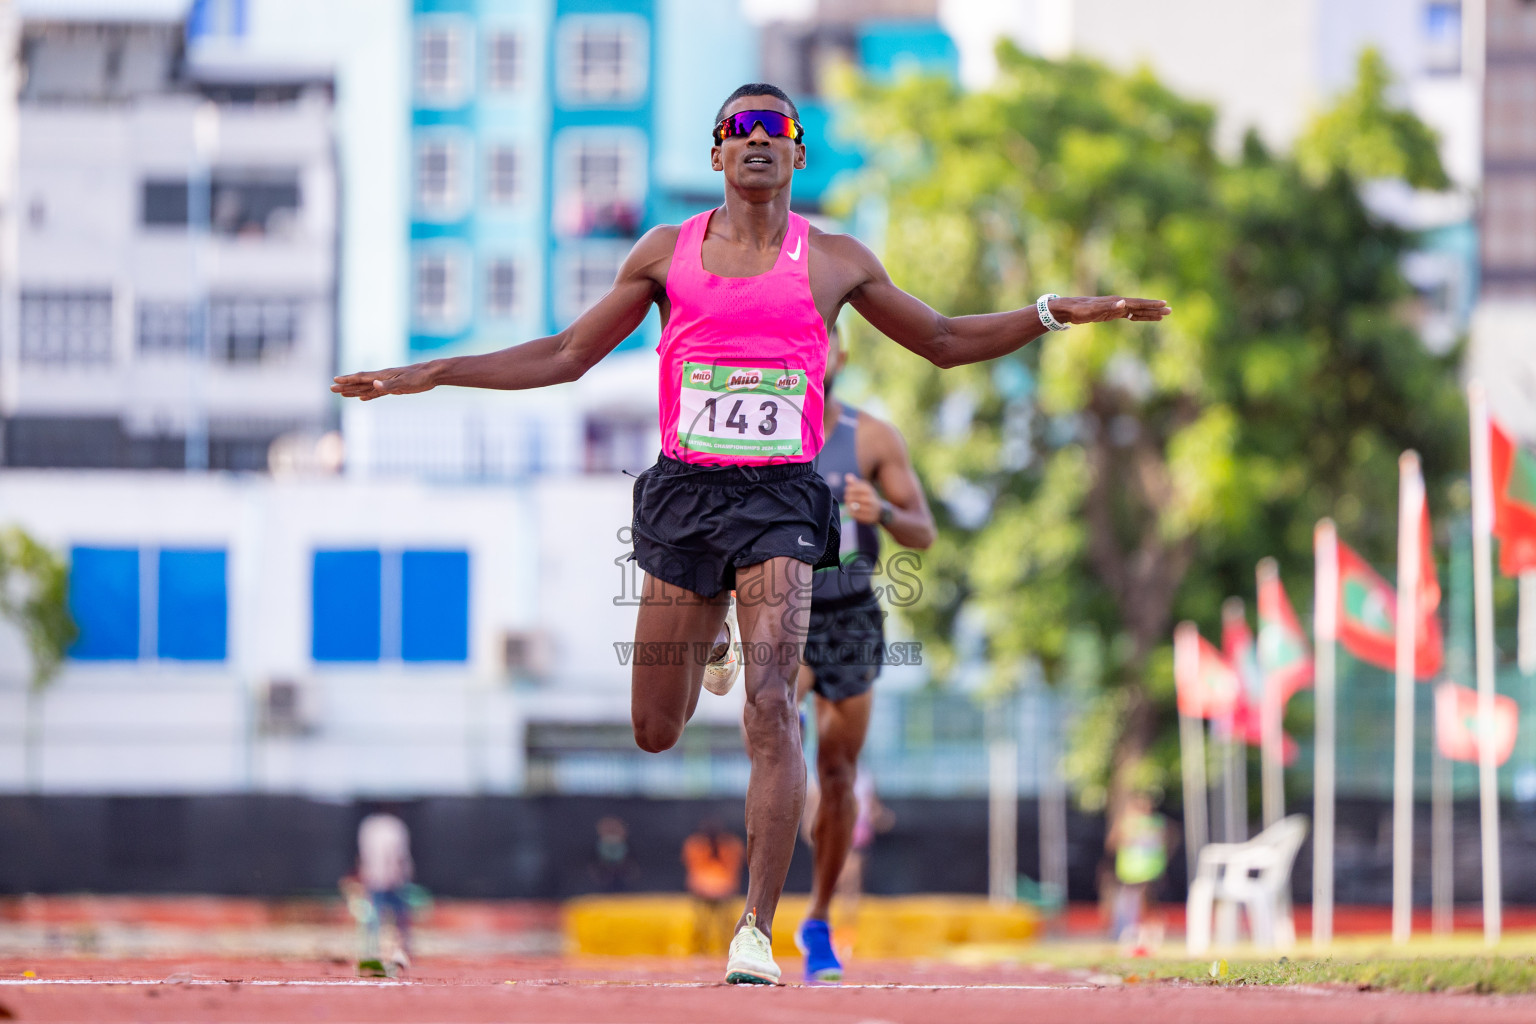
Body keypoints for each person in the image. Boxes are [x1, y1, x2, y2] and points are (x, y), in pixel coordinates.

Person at [332, 82, 1171, 984]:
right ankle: (714, 639)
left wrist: (1053, 313)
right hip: (685, 495)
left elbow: (942, 338)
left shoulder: (836, 260)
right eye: (741, 128)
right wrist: (435, 372)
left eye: (778, 128)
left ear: (798, 153)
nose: (760, 140)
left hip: (781, 500)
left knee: (772, 710)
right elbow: (567, 354)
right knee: (656, 727)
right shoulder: (667, 254)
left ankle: (755, 931)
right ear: (718, 154)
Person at [793, 325, 932, 982]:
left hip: (850, 611)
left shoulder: (872, 437)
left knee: (840, 775)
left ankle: (817, 919)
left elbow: (924, 532)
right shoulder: (758, 430)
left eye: (821, 342)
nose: (810, 352)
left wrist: (881, 513)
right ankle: (756, 919)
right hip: (781, 604)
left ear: (839, 355)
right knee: (768, 717)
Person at [1106, 791, 1168, 953]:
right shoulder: (1127, 823)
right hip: (1131, 872)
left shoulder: (1155, 823)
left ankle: (1149, 935)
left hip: (1149, 871)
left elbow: (1164, 841)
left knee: (1148, 904)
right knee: (1130, 904)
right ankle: (1130, 934)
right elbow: (1113, 843)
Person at [356, 808, 414, 969]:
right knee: (382, 916)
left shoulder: (374, 827)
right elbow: (395, 855)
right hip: (385, 878)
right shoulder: (387, 827)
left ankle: (375, 951)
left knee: (384, 916)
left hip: (381, 878)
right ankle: (377, 951)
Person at [682, 819, 747, 955]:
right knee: (708, 924)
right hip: (717, 888)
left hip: (712, 888)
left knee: (713, 924)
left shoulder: (698, 844)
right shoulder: (698, 845)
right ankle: (716, 950)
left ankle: (705, 951)